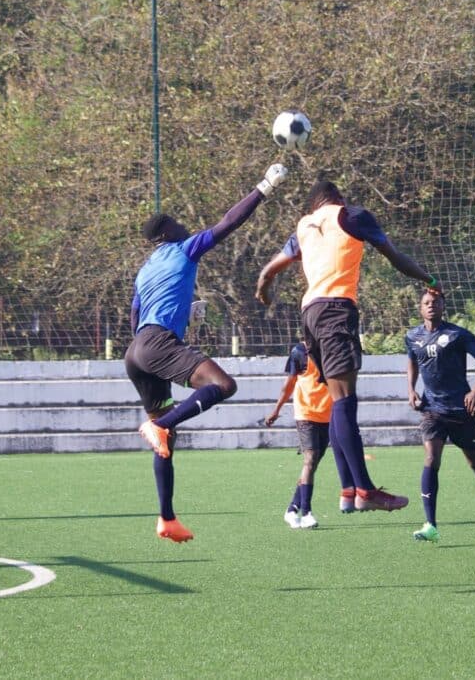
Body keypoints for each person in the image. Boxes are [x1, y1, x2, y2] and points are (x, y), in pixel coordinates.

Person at [256, 177, 440, 512]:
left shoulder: (305, 227)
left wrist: (264, 288)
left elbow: (269, 270)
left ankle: (349, 490)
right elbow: (395, 257)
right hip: (336, 311)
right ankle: (365, 491)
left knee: (336, 402)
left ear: (314, 205)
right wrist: (429, 279)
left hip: (309, 315)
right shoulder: (352, 216)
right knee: (344, 402)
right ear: (337, 198)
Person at [125, 163, 287, 542]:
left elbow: (136, 313)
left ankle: (166, 518)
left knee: (167, 442)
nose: (185, 227)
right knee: (223, 385)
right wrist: (264, 187)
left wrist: (177, 318)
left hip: (136, 351)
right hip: (157, 344)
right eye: (178, 224)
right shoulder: (183, 247)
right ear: (167, 232)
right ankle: (159, 425)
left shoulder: (145, 268)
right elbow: (228, 224)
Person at [406, 289, 475, 542]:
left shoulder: (456, 334)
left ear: (443, 307)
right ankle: (430, 524)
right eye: (426, 303)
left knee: (474, 460)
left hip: (461, 409)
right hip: (432, 410)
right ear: (420, 308)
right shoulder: (412, 336)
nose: (431, 306)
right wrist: (411, 390)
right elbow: (413, 361)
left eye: (435, 302)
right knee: (431, 459)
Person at [264, 339, 358, 529]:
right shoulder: (299, 351)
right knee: (310, 459)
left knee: (312, 464)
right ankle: (306, 512)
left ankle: (291, 509)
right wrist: (276, 409)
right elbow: (289, 384)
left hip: (328, 414)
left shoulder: (335, 348)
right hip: (306, 413)